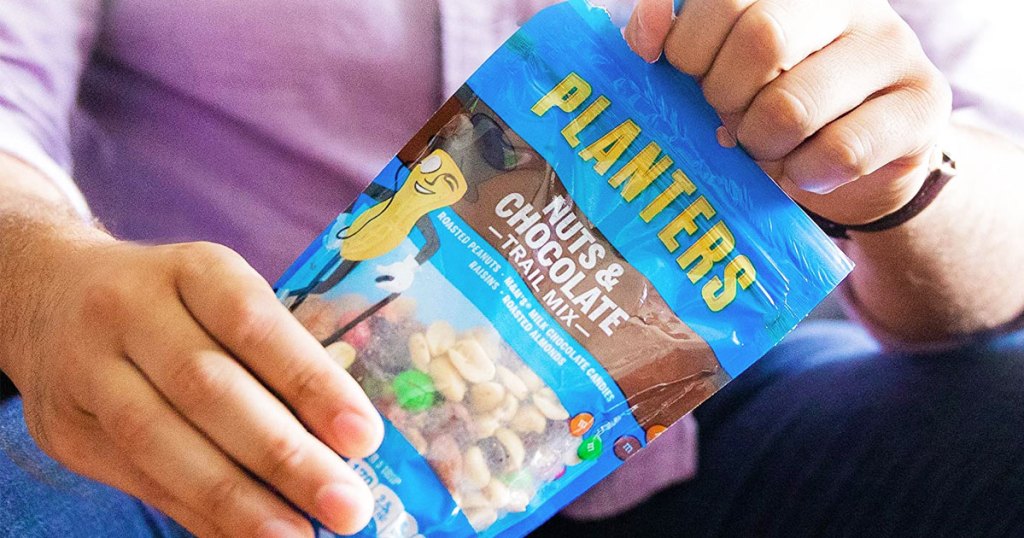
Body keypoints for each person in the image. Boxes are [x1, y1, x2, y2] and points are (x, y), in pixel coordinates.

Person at [0, 0, 1021, 537]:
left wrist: (897, 167)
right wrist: (45, 279)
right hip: (241, 395)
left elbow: (1003, 222)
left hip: (732, 433)